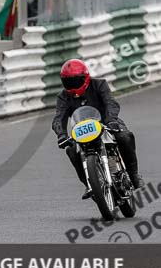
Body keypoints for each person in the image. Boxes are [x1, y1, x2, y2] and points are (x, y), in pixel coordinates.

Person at [53, 59, 143, 199]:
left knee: (124, 137)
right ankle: (89, 184)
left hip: (106, 123)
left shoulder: (99, 84)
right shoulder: (63, 96)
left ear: (85, 77)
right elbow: (59, 117)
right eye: (68, 82)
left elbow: (110, 102)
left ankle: (133, 174)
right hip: (82, 129)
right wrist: (61, 134)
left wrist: (111, 120)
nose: (73, 86)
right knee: (71, 150)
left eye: (76, 81)